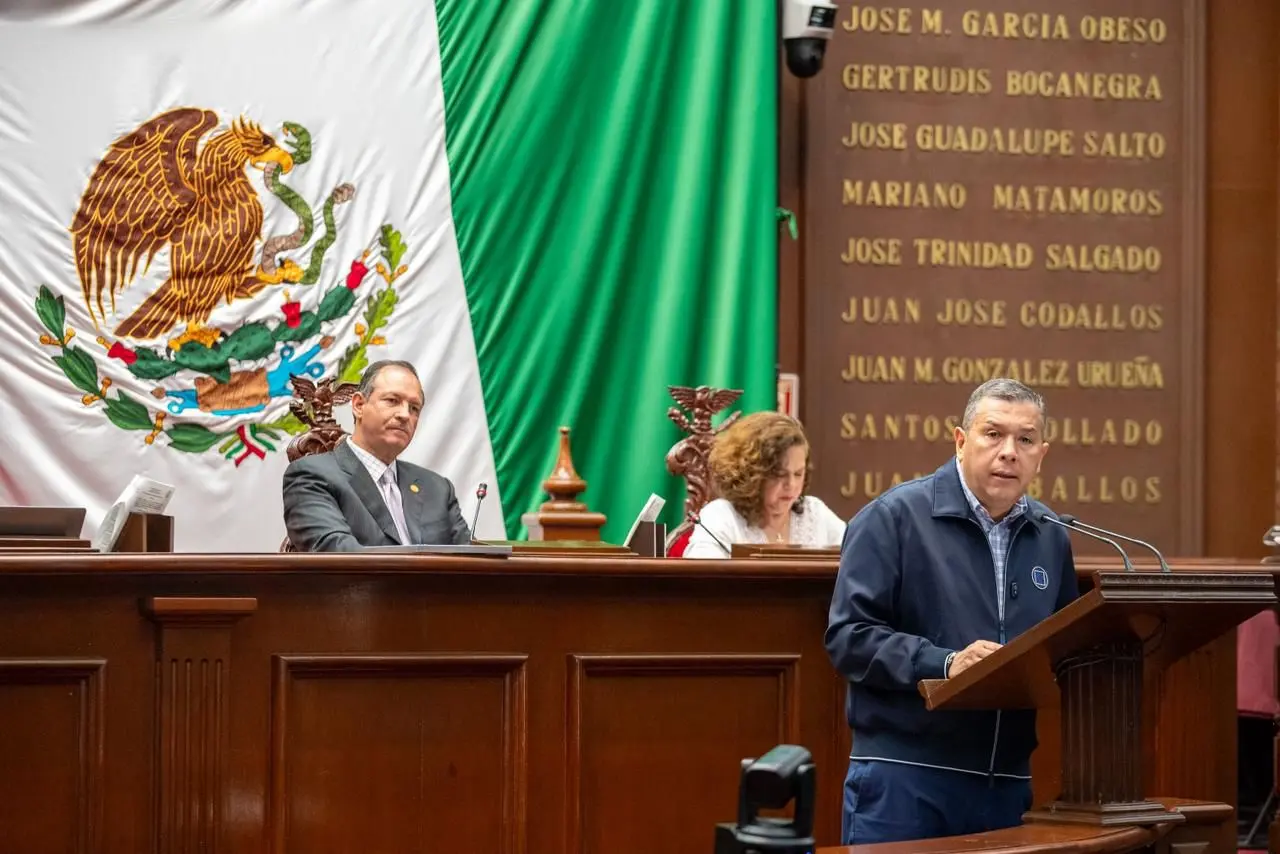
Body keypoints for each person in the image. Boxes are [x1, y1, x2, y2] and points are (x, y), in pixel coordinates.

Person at [824, 378, 1078, 844]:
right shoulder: (893, 518)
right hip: (907, 773)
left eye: (1025, 439)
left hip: (1006, 782)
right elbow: (849, 637)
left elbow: (1061, 649)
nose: (1008, 452)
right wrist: (943, 663)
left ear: (1042, 453)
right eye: (993, 434)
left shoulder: (1050, 534)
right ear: (960, 441)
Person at [282, 360, 471, 551]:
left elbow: (471, 563)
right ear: (358, 405)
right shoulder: (311, 476)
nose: (405, 415)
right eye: (392, 400)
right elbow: (337, 555)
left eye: (414, 408)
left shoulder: (438, 488)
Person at [684, 411, 844, 558]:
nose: (791, 484)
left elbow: (858, 561)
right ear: (751, 473)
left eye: (798, 474)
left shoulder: (815, 513)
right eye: (779, 474)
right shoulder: (721, 516)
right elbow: (700, 579)